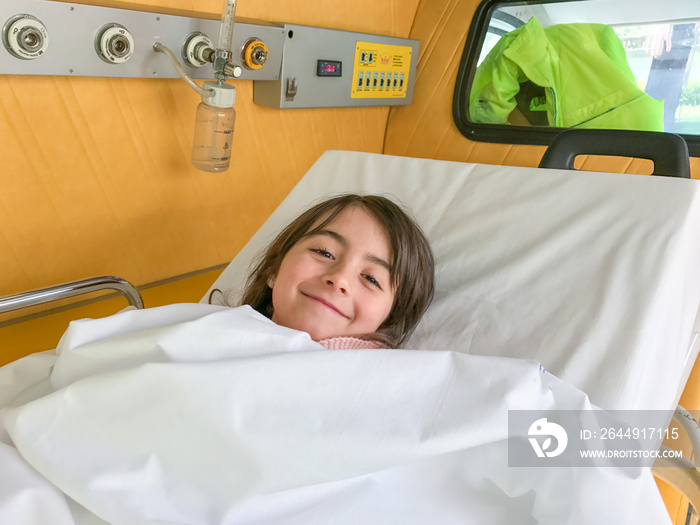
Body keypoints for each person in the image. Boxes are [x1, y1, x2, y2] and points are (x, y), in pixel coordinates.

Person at [213, 194, 435, 349]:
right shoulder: (205, 330)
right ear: (274, 268)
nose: (339, 279)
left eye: (370, 278)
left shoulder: (386, 387)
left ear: (389, 319)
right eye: (324, 253)